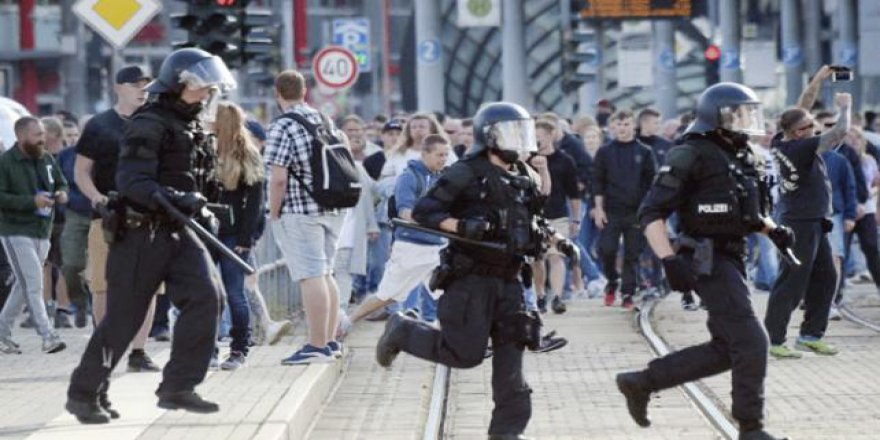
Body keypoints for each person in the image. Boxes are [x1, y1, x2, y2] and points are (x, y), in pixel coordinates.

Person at [375, 102, 578, 440]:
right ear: (490, 135)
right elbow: (424, 211)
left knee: (511, 361)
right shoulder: (465, 172)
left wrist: (559, 240)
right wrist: (461, 225)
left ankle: (506, 433)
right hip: (471, 280)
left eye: (521, 131)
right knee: (465, 354)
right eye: (511, 132)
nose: (518, 140)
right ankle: (403, 331)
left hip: (511, 280)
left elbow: (531, 220)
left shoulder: (524, 174)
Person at [67, 48, 235, 423]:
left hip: (177, 229)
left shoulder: (188, 125)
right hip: (142, 233)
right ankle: (84, 393)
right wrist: (174, 198)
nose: (207, 95)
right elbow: (132, 181)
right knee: (123, 320)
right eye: (201, 88)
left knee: (207, 297)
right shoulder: (149, 122)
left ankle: (178, 386)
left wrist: (201, 204)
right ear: (180, 85)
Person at [616, 83, 792, 440]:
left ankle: (642, 382)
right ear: (719, 116)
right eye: (739, 113)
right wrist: (669, 261)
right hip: (705, 257)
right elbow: (650, 213)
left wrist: (773, 230)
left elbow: (747, 212)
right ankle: (751, 428)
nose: (747, 120)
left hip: (732, 255)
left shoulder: (740, 155)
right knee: (753, 342)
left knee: (727, 349)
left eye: (749, 112)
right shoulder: (690, 153)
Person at [73, 65, 161, 371]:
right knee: (103, 285)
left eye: (146, 84)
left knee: (146, 286)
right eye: (136, 84)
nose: (142, 89)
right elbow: (81, 171)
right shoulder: (99, 125)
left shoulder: (154, 122)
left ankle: (138, 352)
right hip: (107, 216)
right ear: (118, 87)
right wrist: (96, 198)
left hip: (148, 215)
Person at [763, 66, 849, 359]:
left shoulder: (782, 140)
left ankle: (811, 334)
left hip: (812, 221)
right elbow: (840, 132)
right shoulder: (802, 148)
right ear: (796, 133)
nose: (813, 128)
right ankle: (774, 339)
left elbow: (802, 106)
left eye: (813, 125)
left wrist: (818, 79)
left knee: (826, 277)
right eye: (808, 127)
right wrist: (844, 109)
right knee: (792, 280)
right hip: (799, 223)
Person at [265, 70, 345, 364]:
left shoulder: (283, 125)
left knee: (310, 275)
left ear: (278, 93)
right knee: (325, 274)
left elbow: (278, 178)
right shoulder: (324, 119)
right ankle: (331, 341)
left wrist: (274, 213)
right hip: (331, 207)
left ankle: (316, 345)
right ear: (305, 91)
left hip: (300, 210)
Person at [0, 117, 68, 355]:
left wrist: (60, 193)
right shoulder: (6, 162)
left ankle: (1, 333)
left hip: (42, 230)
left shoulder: (47, 158)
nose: (43, 138)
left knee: (23, 285)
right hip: (15, 230)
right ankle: (48, 335)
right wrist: (31, 202)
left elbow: (61, 182)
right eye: (37, 135)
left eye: (43, 133)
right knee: (34, 283)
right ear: (20, 137)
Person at [211, 102, 265, 370]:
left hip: (221, 232)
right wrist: (247, 238)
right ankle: (233, 350)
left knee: (229, 294)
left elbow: (255, 202)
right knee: (227, 294)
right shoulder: (209, 150)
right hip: (222, 232)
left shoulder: (244, 154)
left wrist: (246, 239)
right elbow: (255, 204)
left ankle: (234, 349)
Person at [592, 110, 656, 309]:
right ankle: (612, 281)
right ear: (613, 127)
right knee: (606, 250)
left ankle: (628, 293)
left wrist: (648, 210)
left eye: (627, 124)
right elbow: (597, 182)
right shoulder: (604, 152)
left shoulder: (644, 152)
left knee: (632, 254)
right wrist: (599, 209)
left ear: (633, 126)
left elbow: (650, 183)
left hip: (636, 211)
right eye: (619, 124)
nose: (623, 128)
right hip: (611, 210)